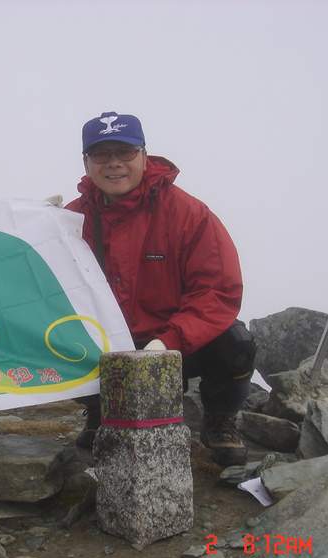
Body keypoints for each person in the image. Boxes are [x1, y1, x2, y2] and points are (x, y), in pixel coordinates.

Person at [67, 111, 256, 466]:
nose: (114, 163)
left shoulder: (188, 214)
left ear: (143, 155)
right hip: (104, 345)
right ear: (86, 162)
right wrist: (38, 235)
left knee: (235, 343)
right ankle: (100, 411)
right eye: (101, 154)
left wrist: (167, 342)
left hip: (173, 343)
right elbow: (43, 289)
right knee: (60, 341)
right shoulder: (70, 220)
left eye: (124, 152)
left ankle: (219, 421)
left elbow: (216, 291)